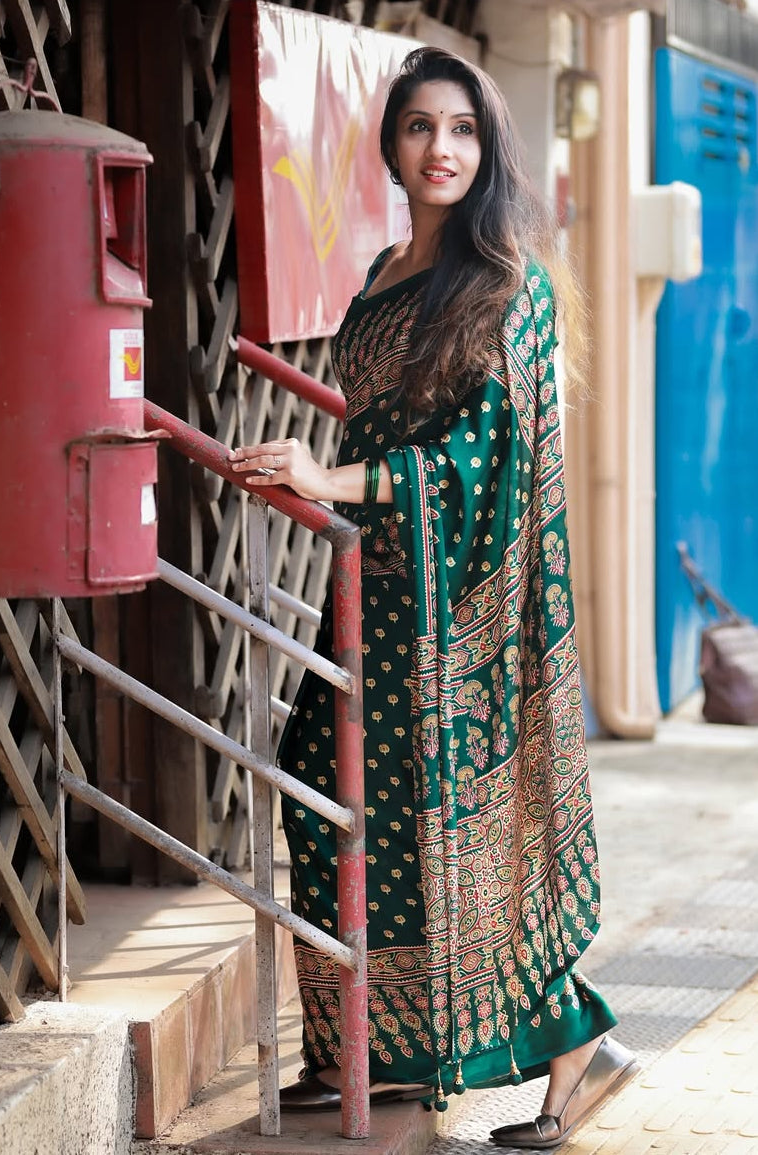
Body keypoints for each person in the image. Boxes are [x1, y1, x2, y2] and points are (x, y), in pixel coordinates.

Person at [229, 46, 637, 1149]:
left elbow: (480, 451)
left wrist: (328, 478)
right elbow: (375, 410)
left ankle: (568, 1053)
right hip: (371, 590)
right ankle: (372, 1049)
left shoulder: (512, 285)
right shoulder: (380, 273)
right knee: (327, 797)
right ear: (392, 146)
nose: (439, 149)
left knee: (460, 834)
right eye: (419, 128)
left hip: (465, 608)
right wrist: (303, 468)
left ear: (487, 146)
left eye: (461, 130)